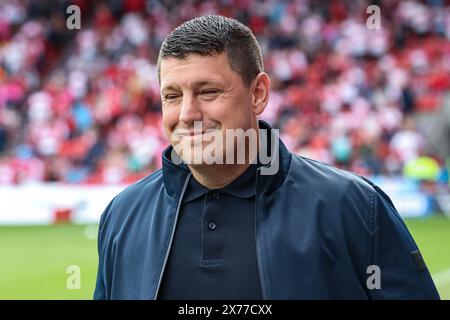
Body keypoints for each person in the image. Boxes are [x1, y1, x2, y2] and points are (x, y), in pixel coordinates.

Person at [93, 15, 440, 300]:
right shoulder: (122, 216)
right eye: (171, 96)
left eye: (208, 91)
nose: (187, 113)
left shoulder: (354, 206)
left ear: (258, 94)